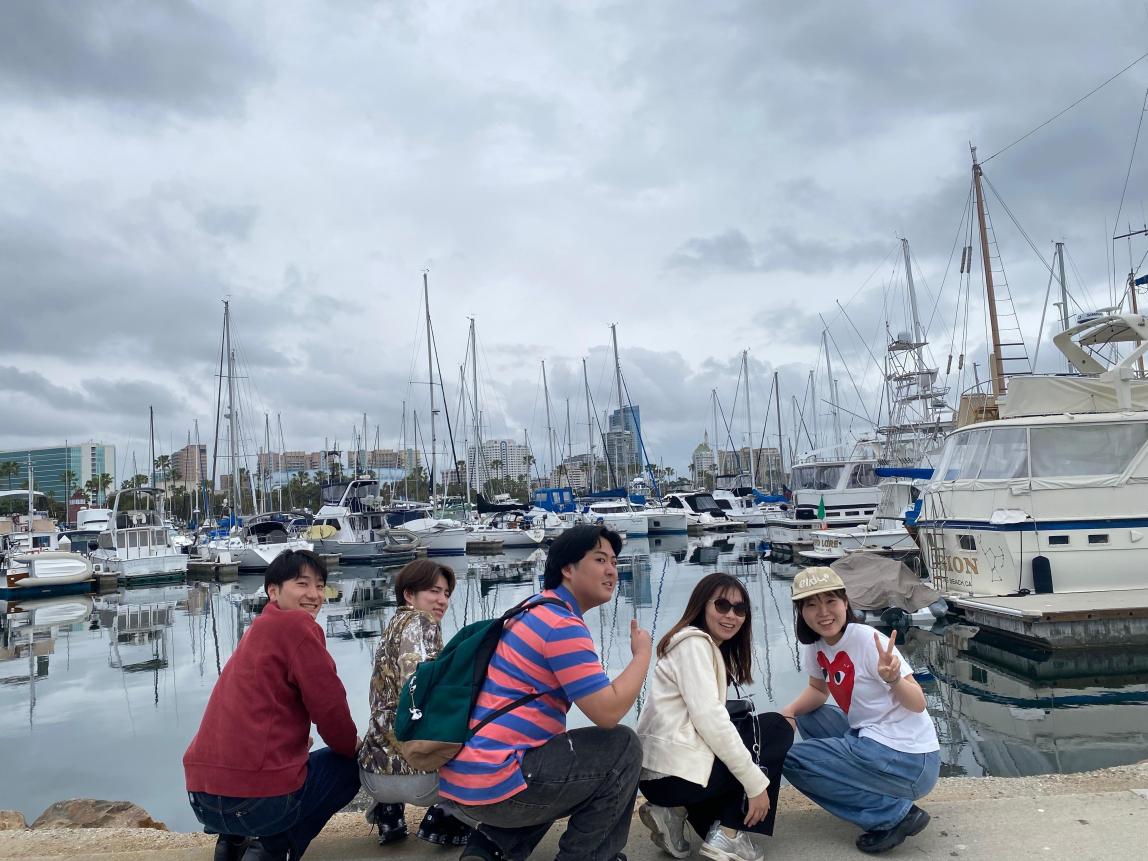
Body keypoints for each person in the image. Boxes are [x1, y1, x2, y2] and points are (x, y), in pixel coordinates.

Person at [440, 524, 650, 861]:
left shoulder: (531, 609)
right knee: (622, 747)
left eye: (613, 560)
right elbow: (607, 712)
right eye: (599, 559)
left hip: (466, 778)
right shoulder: (561, 625)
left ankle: (490, 849)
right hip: (498, 785)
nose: (612, 569)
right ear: (568, 569)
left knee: (555, 758)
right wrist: (641, 656)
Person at [183, 549, 360, 861]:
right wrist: (354, 746)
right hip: (257, 803)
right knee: (348, 766)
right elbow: (332, 712)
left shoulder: (258, 630)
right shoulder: (298, 627)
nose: (314, 595)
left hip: (202, 797)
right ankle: (275, 848)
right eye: (302, 584)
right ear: (273, 591)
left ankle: (231, 844)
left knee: (269, 764)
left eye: (320, 586)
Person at [781, 567, 940, 855]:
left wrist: (893, 680)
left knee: (792, 760)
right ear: (800, 611)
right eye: (811, 605)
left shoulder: (868, 640)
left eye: (831, 601)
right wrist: (789, 712)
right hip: (871, 737)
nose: (823, 612)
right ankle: (864, 782)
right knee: (808, 716)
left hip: (912, 759)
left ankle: (893, 814)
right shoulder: (816, 644)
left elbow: (918, 703)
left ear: (845, 603)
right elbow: (819, 691)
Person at [636, 573, 792, 861]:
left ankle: (673, 813)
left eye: (740, 609)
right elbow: (711, 719)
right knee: (775, 727)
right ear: (701, 605)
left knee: (744, 735)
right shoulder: (694, 644)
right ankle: (729, 836)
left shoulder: (690, 645)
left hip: (660, 775)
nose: (731, 615)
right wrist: (756, 784)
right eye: (722, 605)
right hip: (675, 775)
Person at [358, 559, 472, 847]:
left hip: (373, 776)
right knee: (482, 731)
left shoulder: (392, 627)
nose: (442, 600)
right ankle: (448, 816)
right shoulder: (421, 622)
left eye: (446, 594)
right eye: (434, 591)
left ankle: (388, 812)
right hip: (421, 781)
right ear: (409, 595)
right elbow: (419, 689)